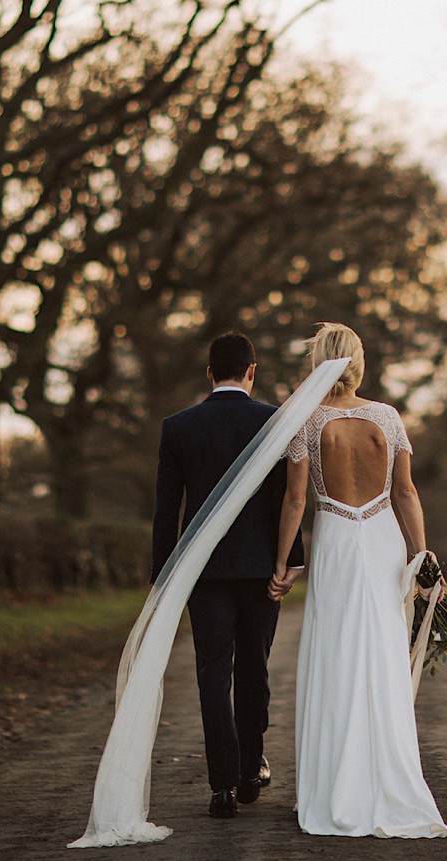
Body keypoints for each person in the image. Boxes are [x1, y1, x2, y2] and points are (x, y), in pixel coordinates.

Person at [268, 323, 447, 839]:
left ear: (318, 363)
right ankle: (387, 779)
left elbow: (297, 502)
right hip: (382, 539)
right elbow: (406, 493)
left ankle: (332, 787)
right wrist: (422, 555)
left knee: (337, 651)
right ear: (358, 362)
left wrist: (282, 564)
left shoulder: (307, 422)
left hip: (337, 543)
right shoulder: (386, 419)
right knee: (383, 652)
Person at [151, 332, 305, 820]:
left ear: (210, 373)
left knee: (212, 673)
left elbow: (165, 510)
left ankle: (221, 787)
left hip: (203, 570)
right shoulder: (275, 423)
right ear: (252, 371)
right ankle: (248, 769)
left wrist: (162, 578)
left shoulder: (178, 427)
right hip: (261, 568)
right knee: (254, 668)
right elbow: (289, 500)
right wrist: (289, 562)